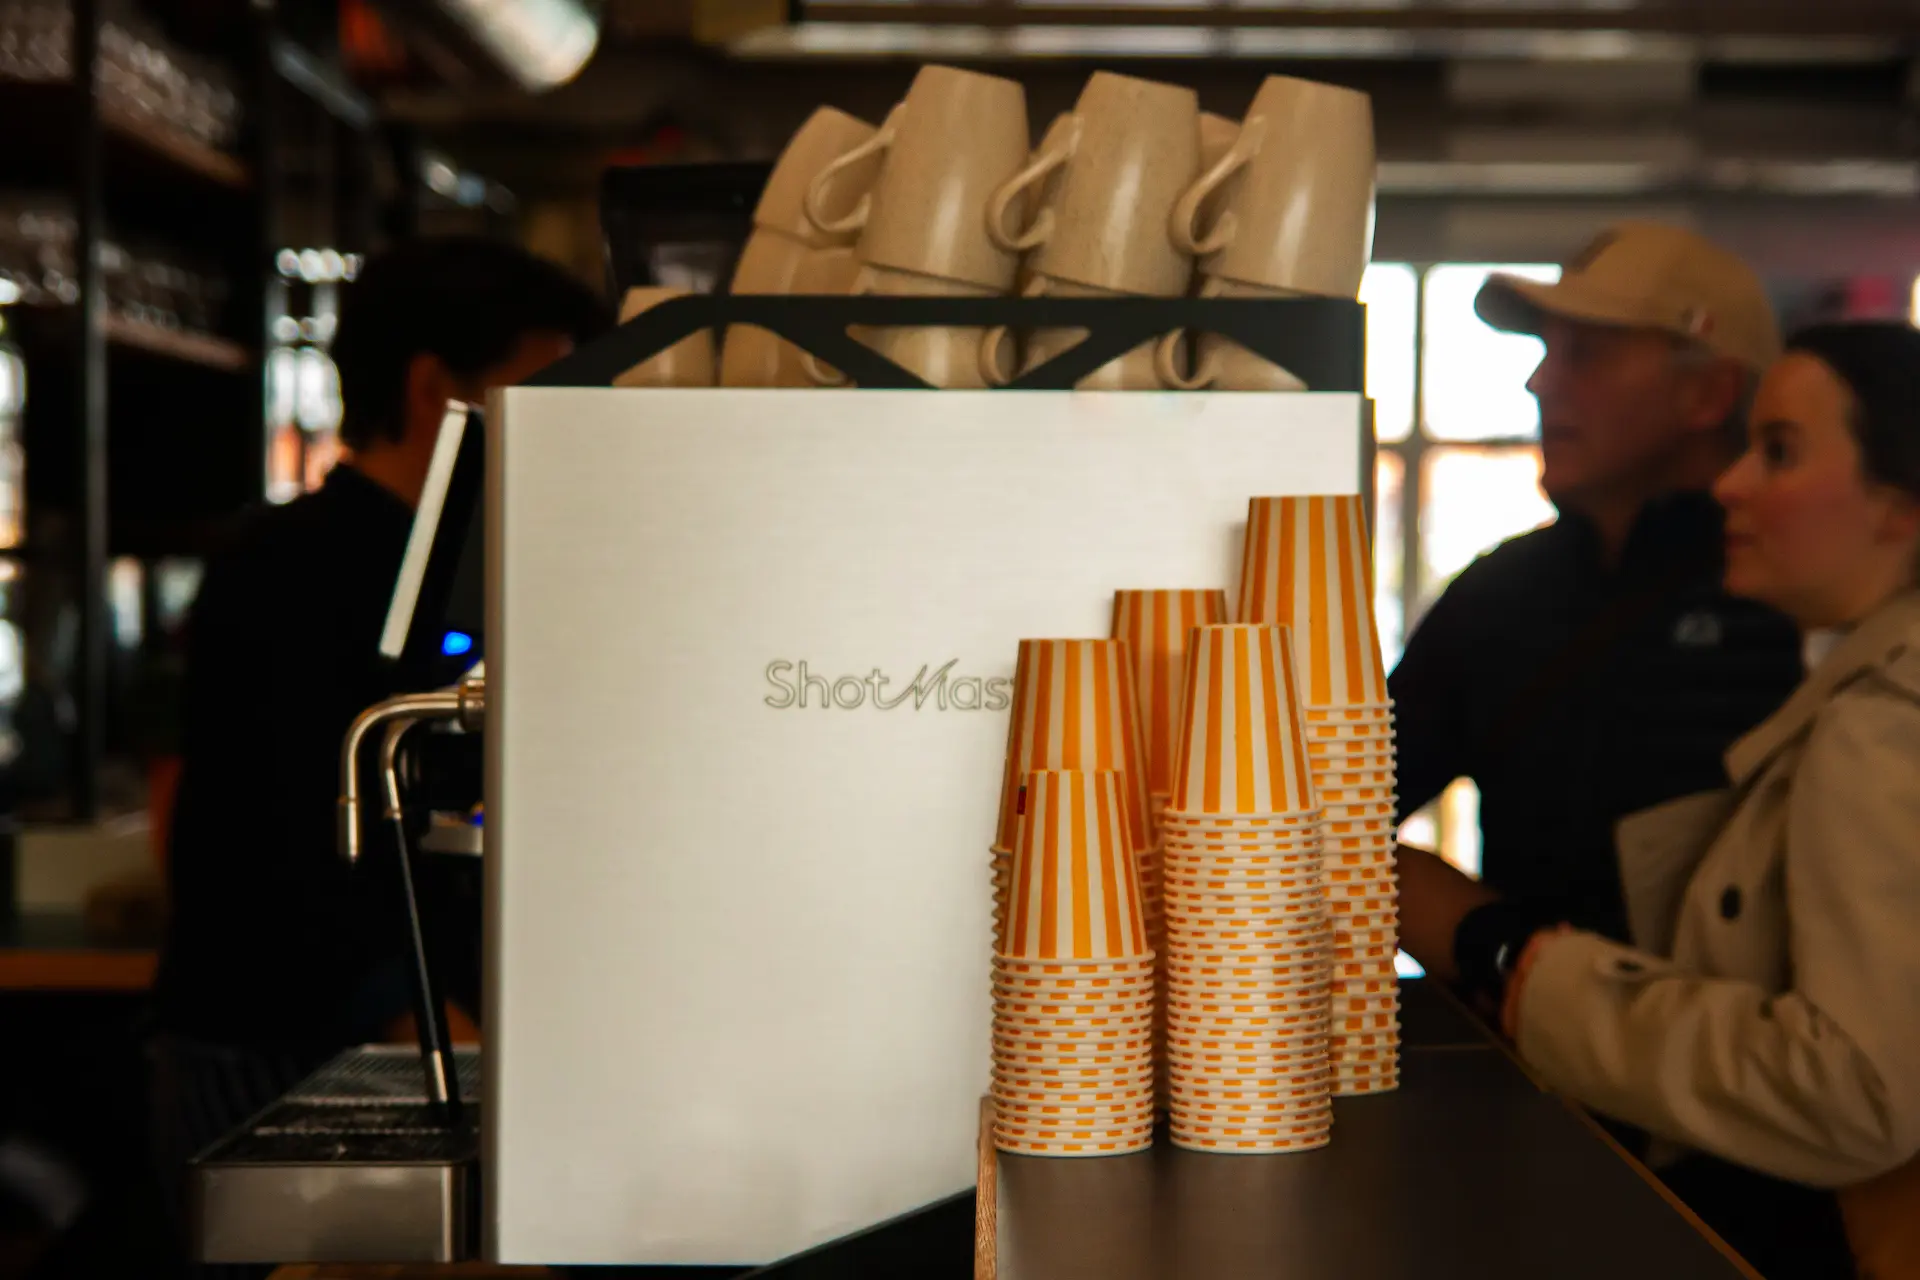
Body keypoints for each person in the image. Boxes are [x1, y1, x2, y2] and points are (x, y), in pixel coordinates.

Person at [147, 238, 608, 1239]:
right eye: (540, 387)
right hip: (275, 1043)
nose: (562, 423)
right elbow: (280, 851)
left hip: (383, 1024)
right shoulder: (298, 570)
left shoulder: (442, 558)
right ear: (435, 386)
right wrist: (447, 1038)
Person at [1465, 322, 1920, 1280]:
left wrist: (1531, 970)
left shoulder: (1881, 722)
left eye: (1781, 453)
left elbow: (1855, 1091)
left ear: (1901, 507)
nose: (1732, 485)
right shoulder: (1854, 686)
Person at [1391, 223, 1805, 969]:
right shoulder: (1500, 595)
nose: (1540, 382)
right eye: (1548, 350)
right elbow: (1338, 806)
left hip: (1736, 1074)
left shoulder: (1803, 604)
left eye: (1586, 353)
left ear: (1709, 394)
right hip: (1527, 1072)